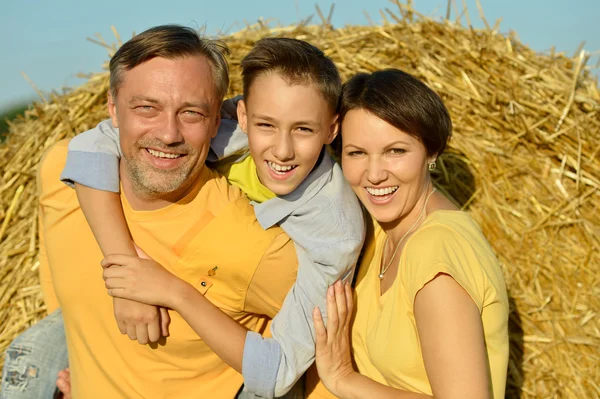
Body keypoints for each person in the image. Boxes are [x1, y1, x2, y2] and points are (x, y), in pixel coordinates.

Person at [2, 34, 365, 398]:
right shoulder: (62, 173)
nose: (168, 133)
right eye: (146, 107)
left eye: (191, 112)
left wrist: (174, 292)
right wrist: (122, 271)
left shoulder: (287, 247)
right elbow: (88, 146)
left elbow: (283, 368)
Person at [307, 69, 510, 398]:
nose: (374, 174)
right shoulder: (382, 227)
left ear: (431, 152)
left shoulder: (437, 254)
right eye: (357, 153)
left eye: (395, 151)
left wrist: (343, 378)